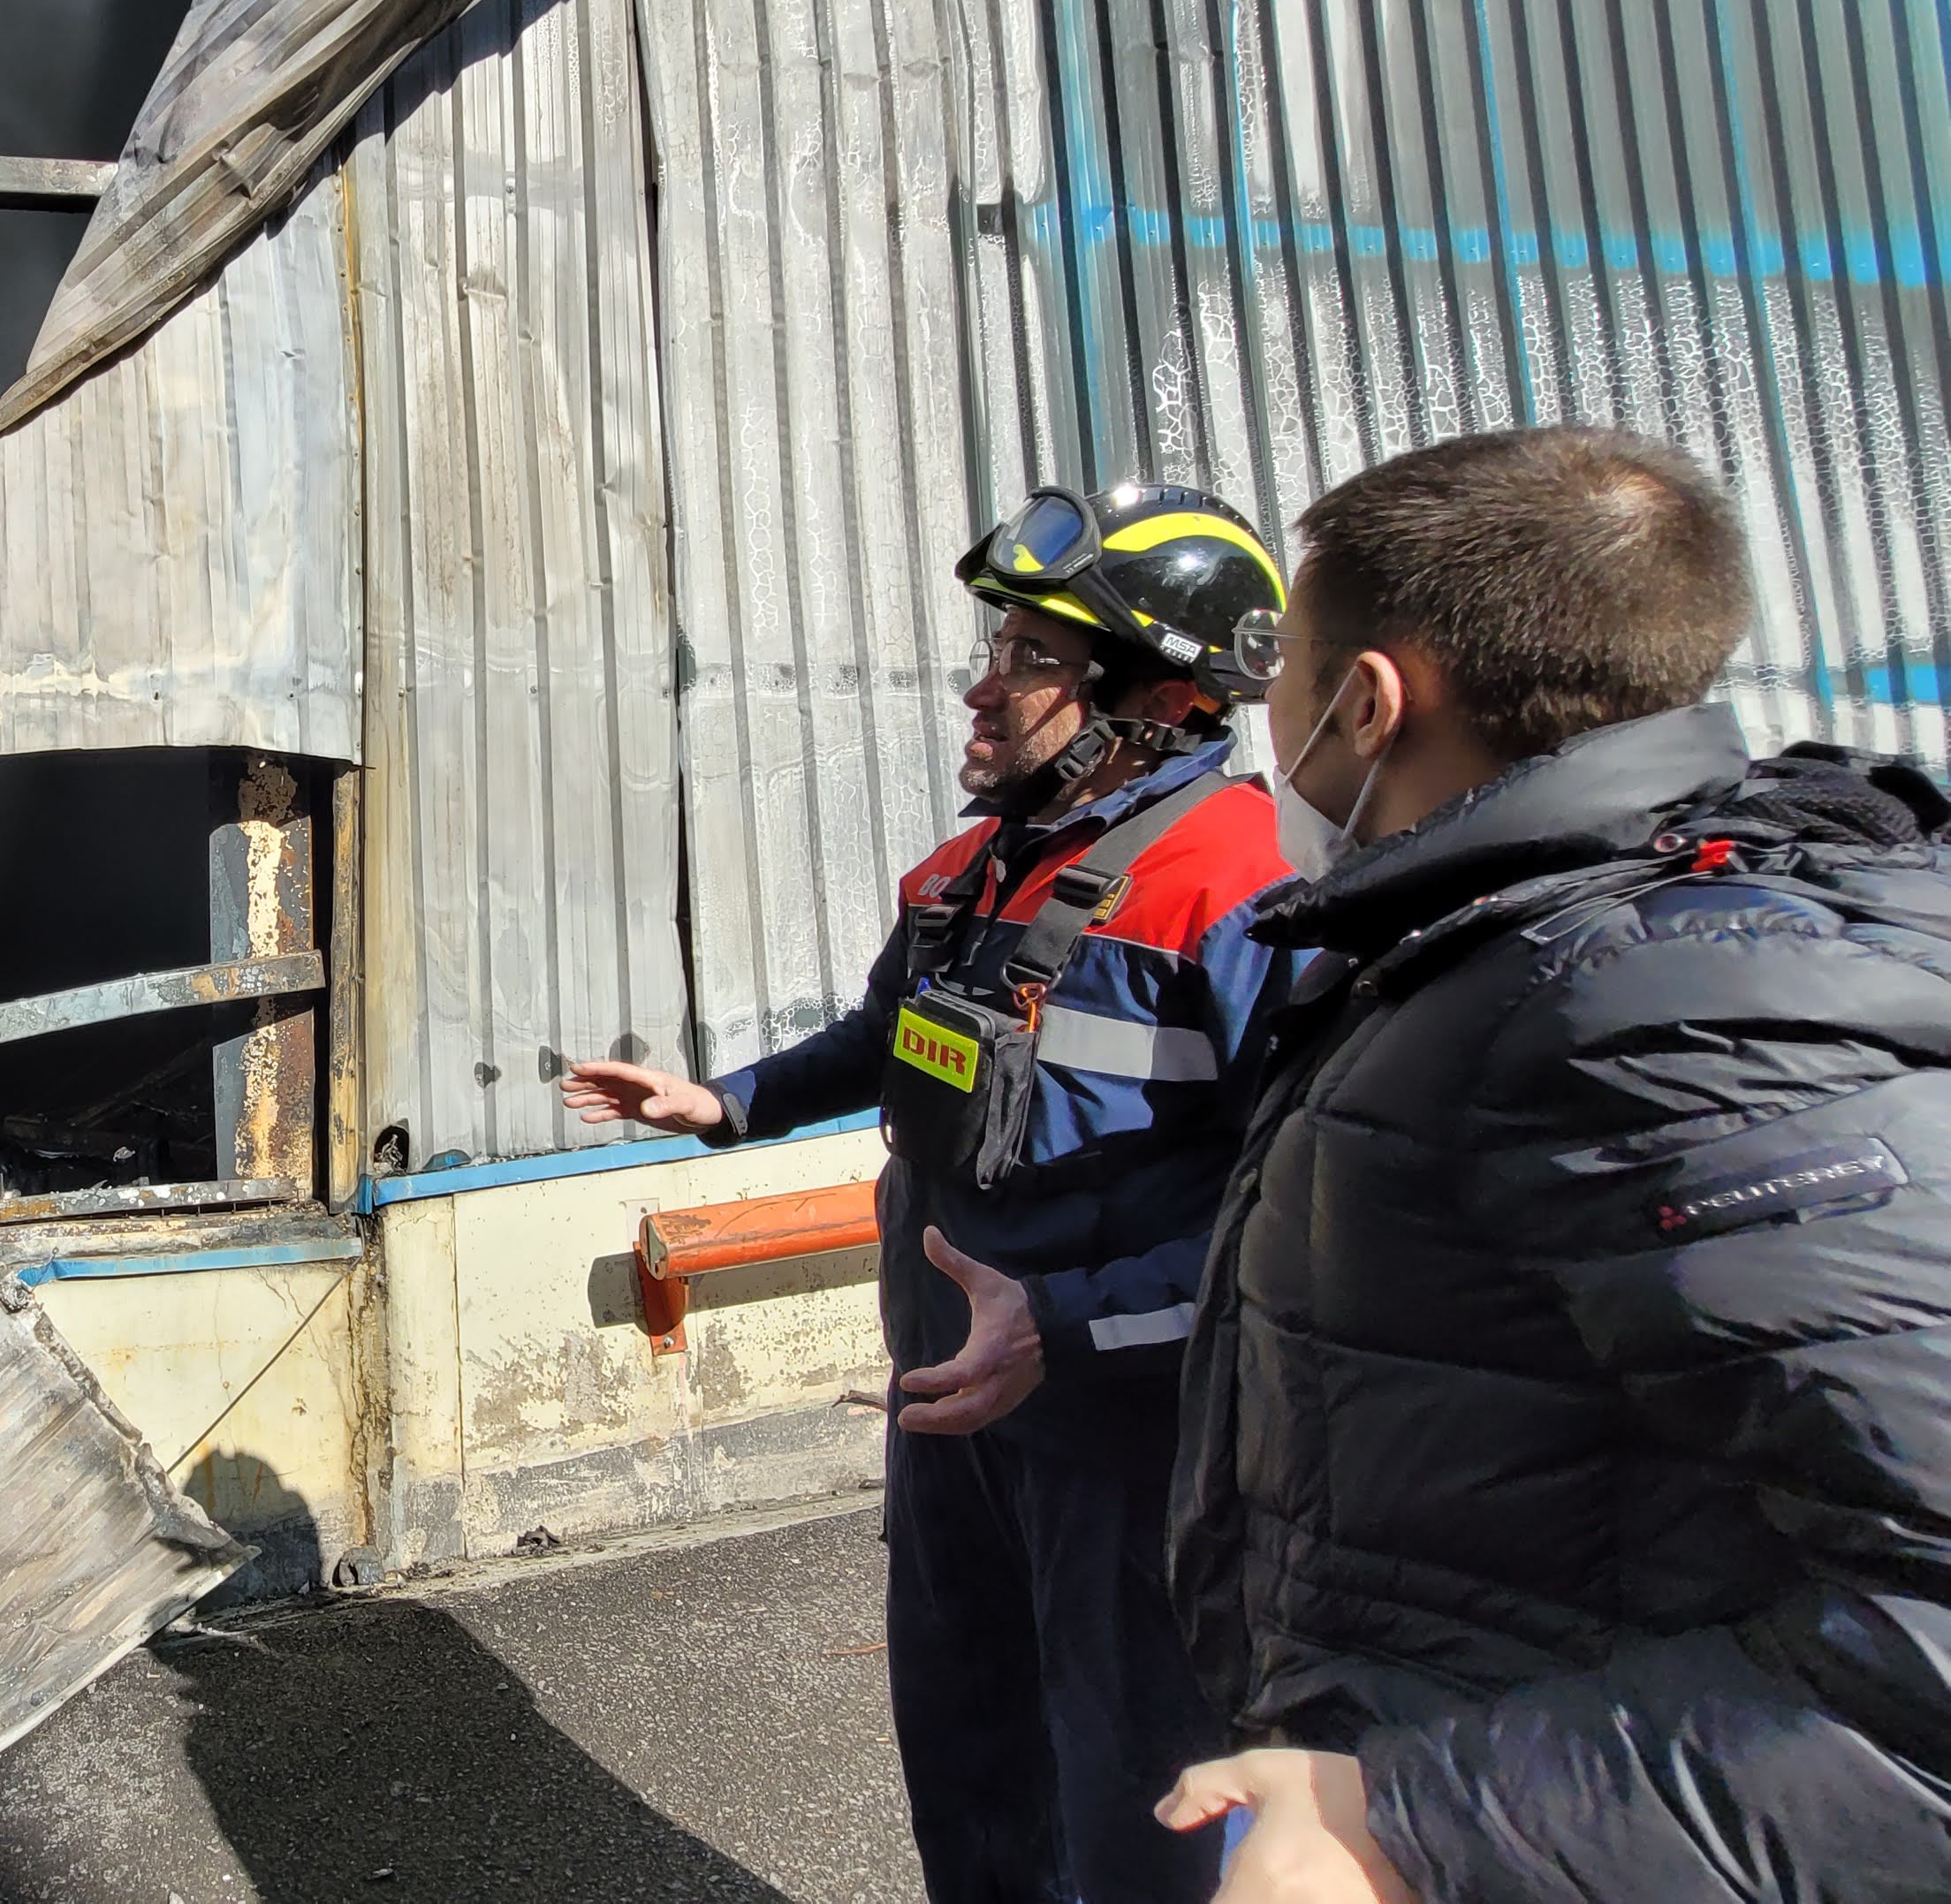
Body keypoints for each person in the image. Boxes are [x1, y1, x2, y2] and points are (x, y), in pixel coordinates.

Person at [1155, 427, 1951, 1900]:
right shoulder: (1507, 949)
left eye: (1280, 678)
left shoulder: (1641, 1008)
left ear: (1369, 699)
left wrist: (1414, 1825)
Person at [564, 483, 1299, 1904]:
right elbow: (884, 1038)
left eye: (1031, 657)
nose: (982, 684)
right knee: (969, 1771)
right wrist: (727, 1104)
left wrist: (1071, 1325)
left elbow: (1311, 1208)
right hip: (952, 1412)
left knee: (1140, 1801)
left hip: (1124, 1443)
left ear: (1154, 696)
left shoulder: (1244, 883)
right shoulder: (968, 871)